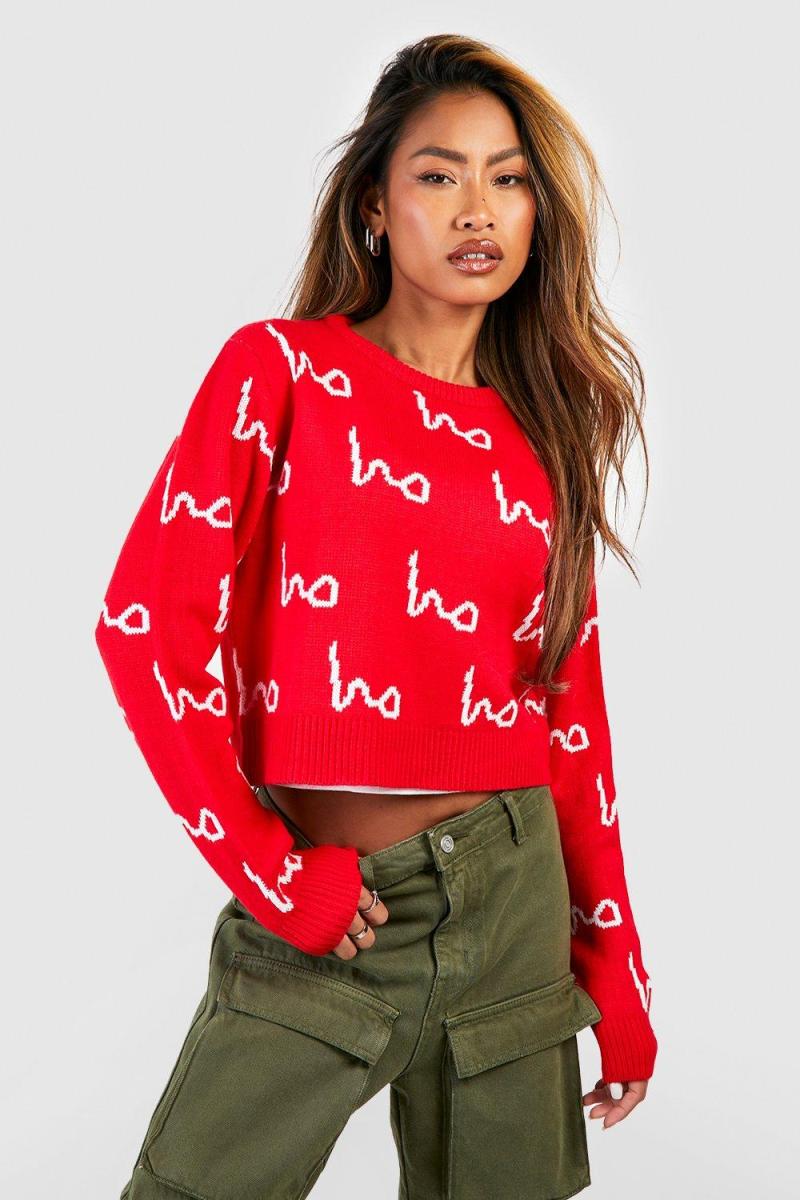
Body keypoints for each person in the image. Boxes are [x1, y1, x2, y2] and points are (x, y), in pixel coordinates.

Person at [95, 32, 658, 1200]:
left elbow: (568, 713)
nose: (476, 209)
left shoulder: (539, 442)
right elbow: (146, 626)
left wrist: (611, 964)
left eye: (508, 179)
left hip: (511, 901)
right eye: (437, 174)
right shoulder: (279, 374)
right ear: (372, 206)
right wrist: (268, 871)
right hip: (332, 904)